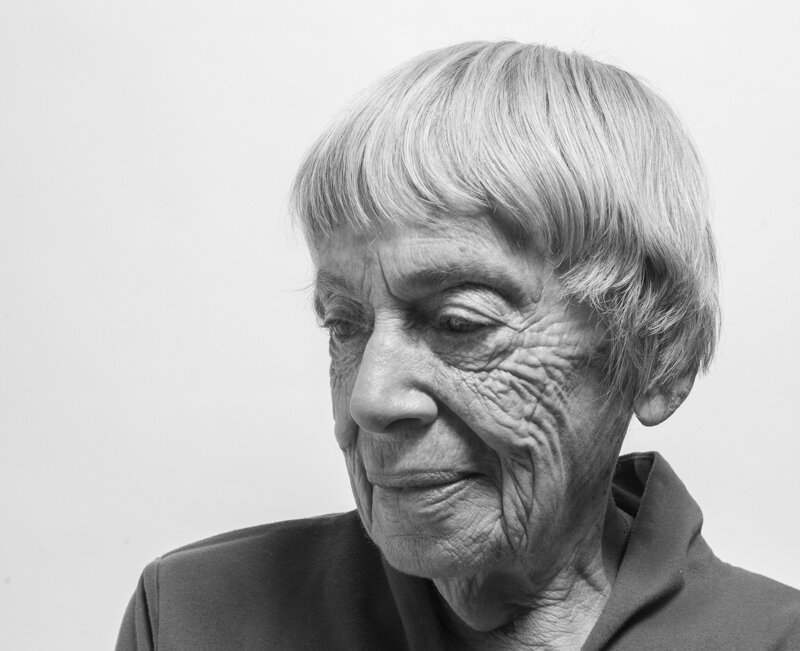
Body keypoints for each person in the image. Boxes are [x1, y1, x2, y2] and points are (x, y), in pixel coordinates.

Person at [115, 41, 800, 650]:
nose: (370, 398)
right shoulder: (190, 617)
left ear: (656, 357)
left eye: (460, 323)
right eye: (345, 325)